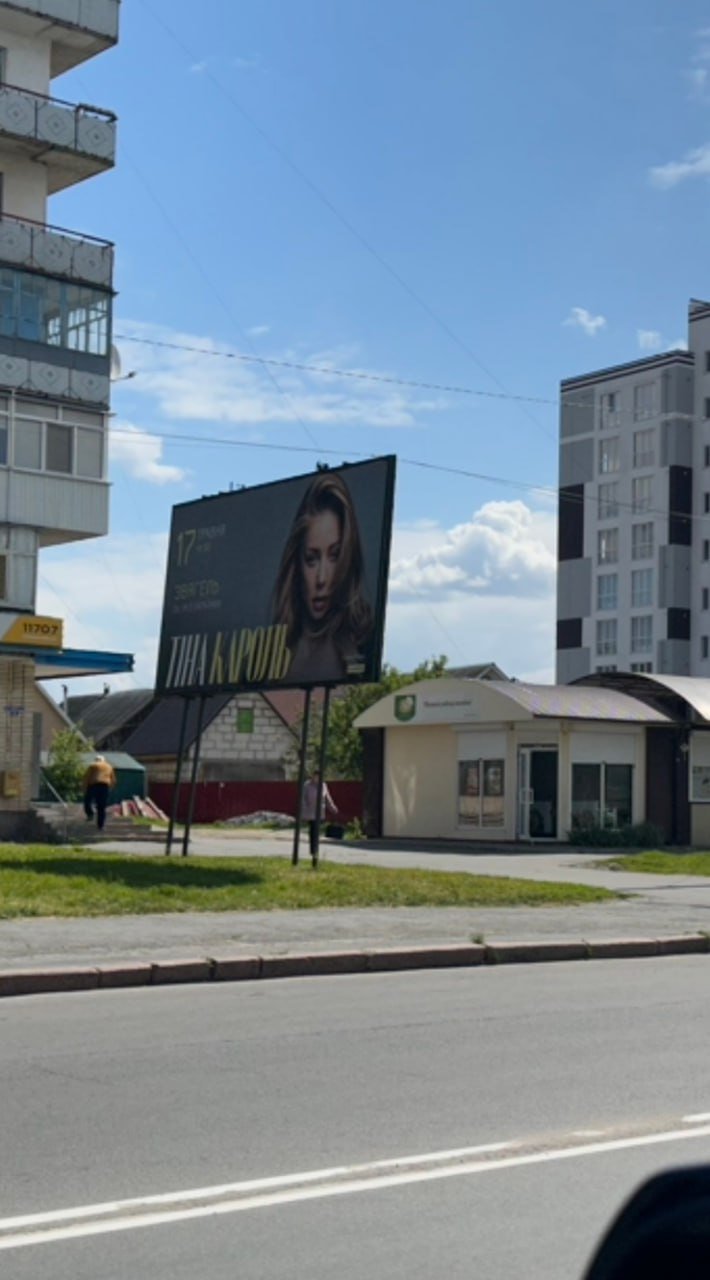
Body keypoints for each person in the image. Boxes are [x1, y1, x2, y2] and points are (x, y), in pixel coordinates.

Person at [272, 471, 373, 683]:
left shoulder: (364, 643)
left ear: (347, 557)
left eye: (334, 556)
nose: (321, 578)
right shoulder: (271, 653)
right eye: (311, 559)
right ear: (296, 564)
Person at [302, 770, 338, 862]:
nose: (317, 778)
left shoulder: (323, 785)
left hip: (320, 811)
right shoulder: (307, 785)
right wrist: (304, 808)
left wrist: (332, 808)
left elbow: (327, 798)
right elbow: (303, 799)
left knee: (316, 831)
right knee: (313, 830)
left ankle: (315, 849)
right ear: (313, 776)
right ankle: (313, 850)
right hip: (310, 811)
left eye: (318, 776)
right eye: (315, 776)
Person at [82, 754, 116, 831]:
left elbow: (86, 777)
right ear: (104, 760)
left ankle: (90, 814)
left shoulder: (93, 765)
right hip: (105, 786)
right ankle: (101, 825)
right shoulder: (109, 766)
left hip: (93, 785)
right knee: (101, 807)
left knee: (88, 800)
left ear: (96, 760)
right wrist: (110, 788)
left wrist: (84, 788)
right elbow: (113, 780)